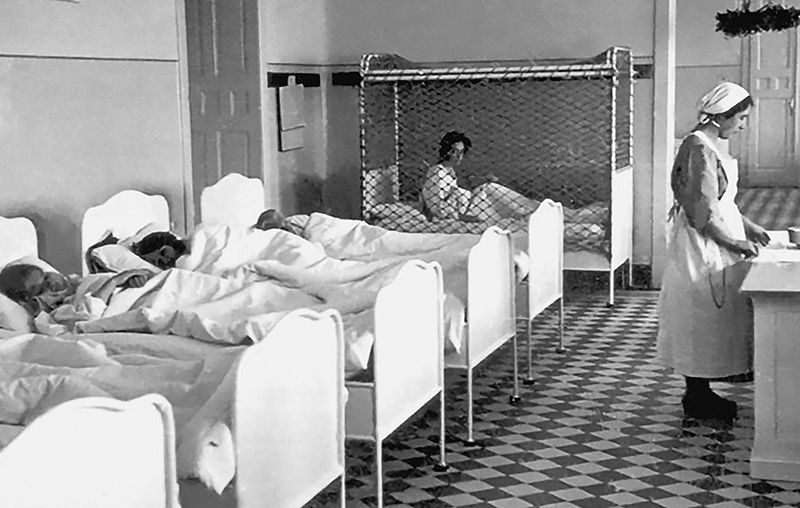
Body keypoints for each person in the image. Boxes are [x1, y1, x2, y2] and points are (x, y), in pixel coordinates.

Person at [655, 82, 771, 422]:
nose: (744, 125)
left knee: (713, 319)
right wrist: (734, 242)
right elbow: (701, 212)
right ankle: (697, 395)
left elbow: (721, 202)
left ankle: (702, 392)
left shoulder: (710, 145)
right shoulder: (698, 149)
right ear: (722, 117)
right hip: (702, 244)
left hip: (716, 238)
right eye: (742, 118)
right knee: (700, 317)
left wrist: (748, 227)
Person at [421, 131, 540, 222]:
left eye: (460, 152)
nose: (457, 156)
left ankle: (531, 210)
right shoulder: (437, 172)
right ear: (446, 150)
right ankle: (533, 211)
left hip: (472, 204)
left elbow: (453, 191)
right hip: (470, 209)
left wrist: (478, 180)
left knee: (491, 190)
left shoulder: (448, 172)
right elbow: (437, 206)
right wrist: (464, 218)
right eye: (454, 151)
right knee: (490, 189)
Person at [0, 263, 154, 316]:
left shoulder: (85, 281)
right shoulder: (60, 312)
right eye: (42, 288)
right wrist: (115, 282)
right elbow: (89, 314)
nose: (51, 283)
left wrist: (140, 276)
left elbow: (151, 274)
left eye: (47, 277)